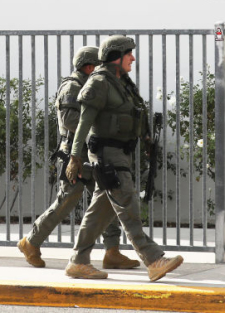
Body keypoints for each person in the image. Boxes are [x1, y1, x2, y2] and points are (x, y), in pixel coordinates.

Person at [64, 36, 183, 282]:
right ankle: (153, 260)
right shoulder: (98, 83)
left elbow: (133, 114)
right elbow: (83, 123)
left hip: (121, 152)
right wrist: (75, 157)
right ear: (115, 56)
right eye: (129, 53)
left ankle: (78, 262)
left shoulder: (121, 83)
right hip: (107, 154)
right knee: (128, 203)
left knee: (101, 210)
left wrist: (148, 139)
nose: (133, 58)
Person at [18, 46, 140, 270]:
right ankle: (30, 242)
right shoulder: (71, 87)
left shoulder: (92, 85)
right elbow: (69, 120)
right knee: (67, 200)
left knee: (108, 200)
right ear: (90, 66)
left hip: (93, 154)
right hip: (74, 156)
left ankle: (112, 252)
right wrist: (101, 124)